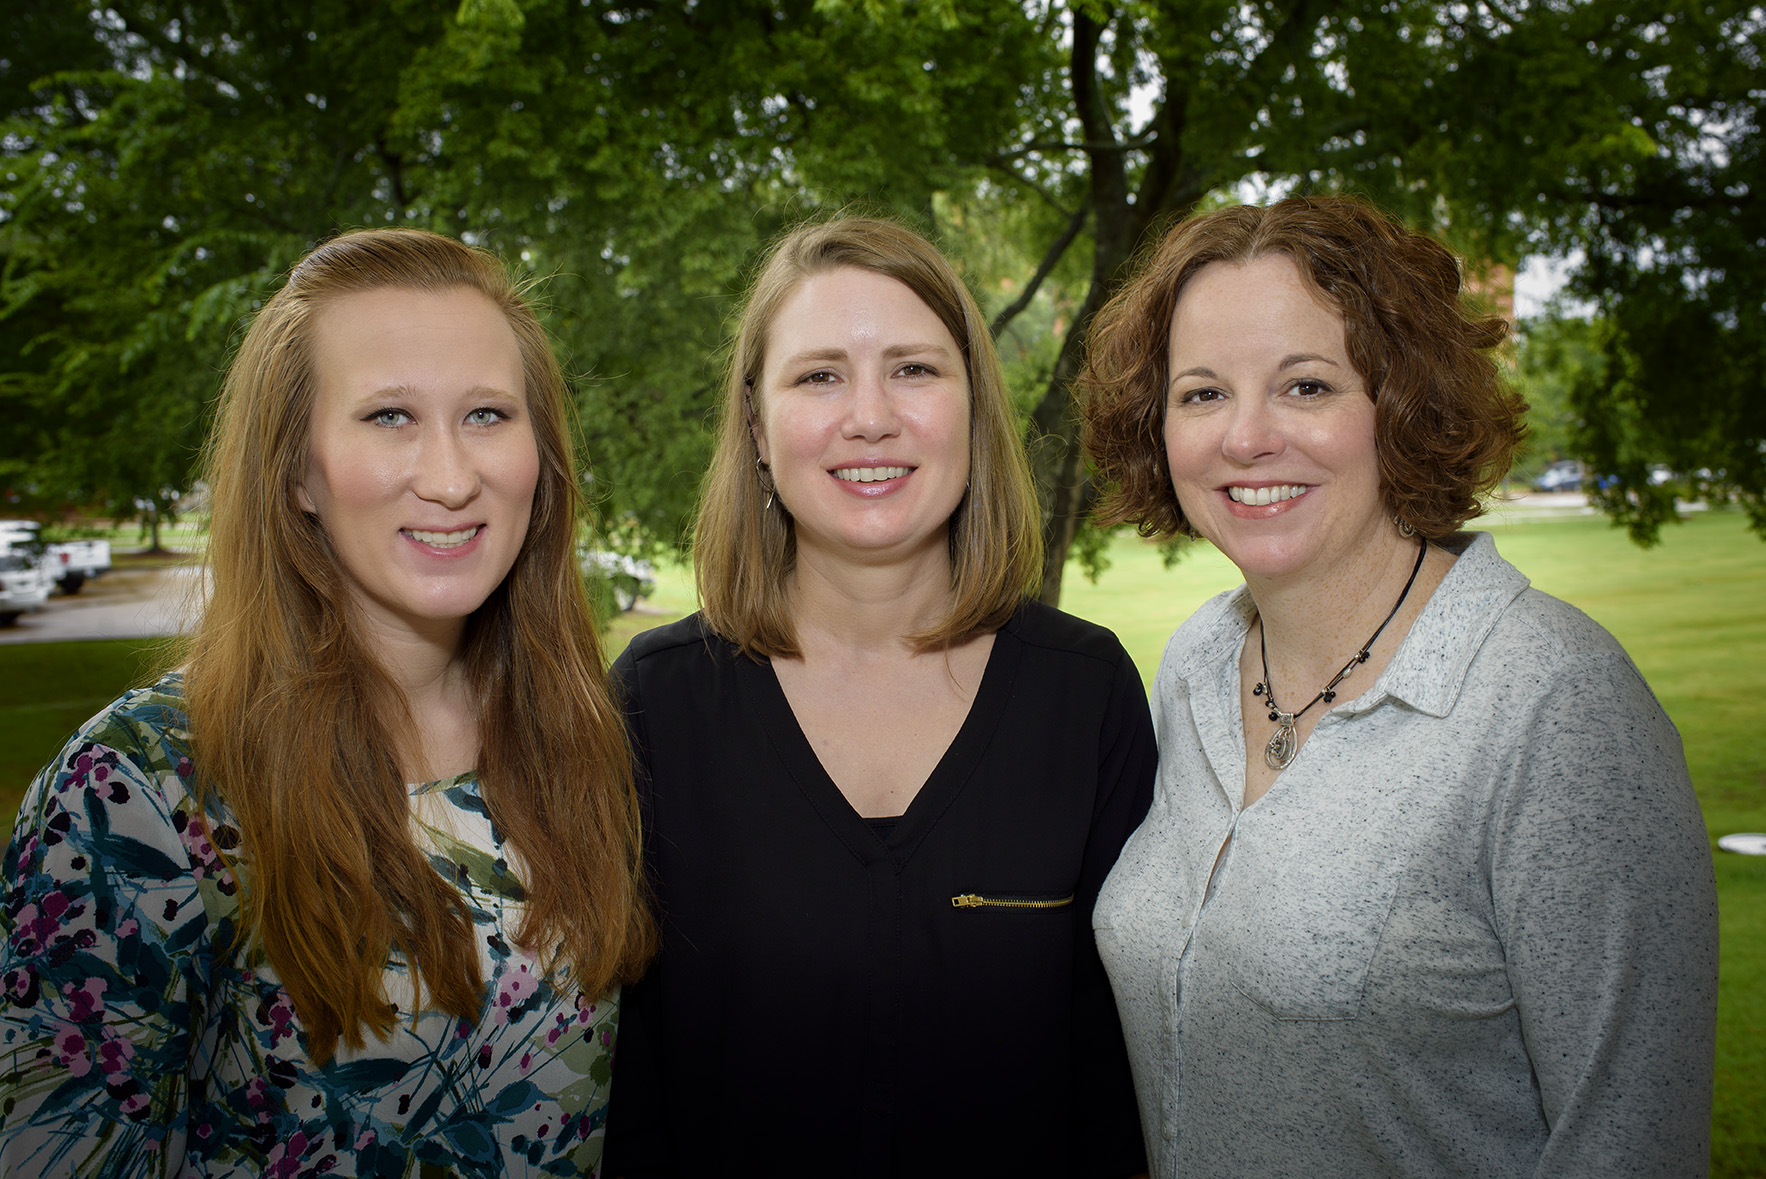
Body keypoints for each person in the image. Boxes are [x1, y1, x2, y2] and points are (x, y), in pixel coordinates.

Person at [1079, 195, 1718, 1178]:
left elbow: (1628, 1137)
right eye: (1201, 393)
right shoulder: (1197, 668)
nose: (1245, 437)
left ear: (1401, 400)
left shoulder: (1555, 707)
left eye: (1304, 385)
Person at [0, 228, 655, 1176]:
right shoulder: (140, 791)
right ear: (297, 471)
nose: (450, 476)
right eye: (389, 415)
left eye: (487, 414)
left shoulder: (587, 743)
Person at [602, 217, 1155, 1177]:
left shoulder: (1088, 693)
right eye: (819, 374)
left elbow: (1113, 1087)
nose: (870, 416)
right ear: (755, 426)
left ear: (975, 409)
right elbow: (627, 1093)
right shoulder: (655, 704)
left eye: (913, 369)